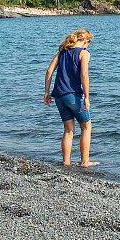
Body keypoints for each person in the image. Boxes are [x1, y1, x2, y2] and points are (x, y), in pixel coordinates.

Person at [44, 29, 99, 167]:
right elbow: (84, 76)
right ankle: (84, 161)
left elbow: (49, 70)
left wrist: (46, 92)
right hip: (73, 96)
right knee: (86, 127)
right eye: (88, 44)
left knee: (68, 130)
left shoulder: (62, 52)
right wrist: (86, 97)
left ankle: (66, 162)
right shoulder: (84, 53)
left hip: (59, 96)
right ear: (86, 42)